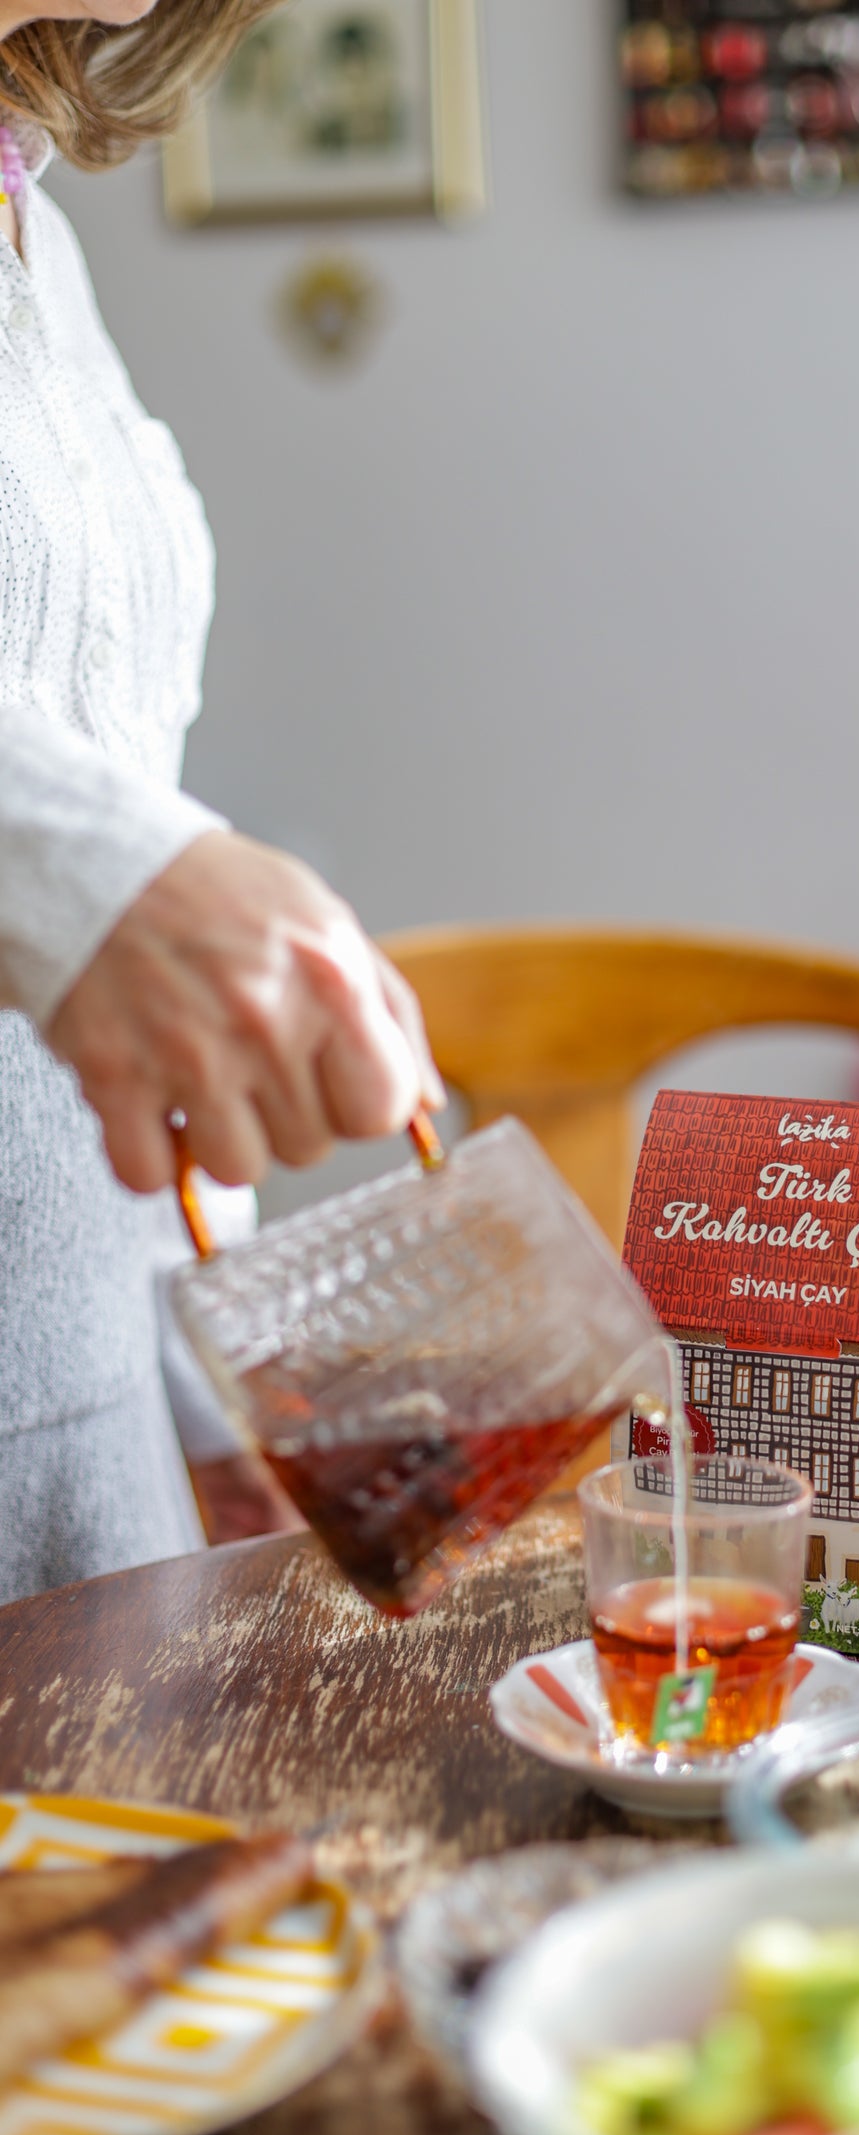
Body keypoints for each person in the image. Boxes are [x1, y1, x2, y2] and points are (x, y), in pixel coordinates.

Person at [0, 0, 444, 1604]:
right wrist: (93, 876)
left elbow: (98, 748)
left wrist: (211, 1340)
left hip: (78, 1400)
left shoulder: (31, 227)